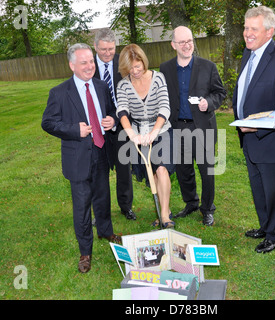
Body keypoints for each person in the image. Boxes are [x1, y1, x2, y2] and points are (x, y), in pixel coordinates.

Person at [41, 43, 122, 273]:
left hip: (101, 151)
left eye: (91, 61)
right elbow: (47, 122)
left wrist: (112, 120)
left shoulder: (101, 85)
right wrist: (74, 130)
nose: (90, 66)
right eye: (84, 62)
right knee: (82, 206)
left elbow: (112, 109)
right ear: (72, 65)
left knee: (103, 196)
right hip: (77, 158)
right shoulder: (59, 92)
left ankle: (106, 231)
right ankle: (85, 251)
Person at [232, 6, 275, 253]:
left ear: (269, 31)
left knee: (274, 192)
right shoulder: (248, 54)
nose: (247, 33)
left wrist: (257, 126)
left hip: (273, 142)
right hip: (250, 139)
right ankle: (265, 226)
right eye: (245, 28)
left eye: (253, 29)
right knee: (258, 189)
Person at [160, 26, 226, 226]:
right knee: (183, 170)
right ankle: (191, 203)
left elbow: (220, 93)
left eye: (190, 41)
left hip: (202, 127)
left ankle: (207, 209)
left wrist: (209, 103)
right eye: (182, 42)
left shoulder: (208, 67)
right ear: (173, 45)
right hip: (177, 127)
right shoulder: (165, 69)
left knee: (207, 170)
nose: (187, 45)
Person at [116, 44, 175, 228]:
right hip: (139, 133)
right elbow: (122, 111)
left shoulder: (158, 78)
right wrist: (132, 134)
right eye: (130, 68)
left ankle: (164, 215)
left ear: (143, 62)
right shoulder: (123, 85)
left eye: (137, 66)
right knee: (153, 174)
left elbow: (165, 106)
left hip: (161, 129)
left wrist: (155, 131)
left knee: (162, 169)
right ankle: (163, 209)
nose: (134, 71)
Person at [93, 28, 136, 221]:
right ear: (95, 47)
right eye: (103, 49)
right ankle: (100, 212)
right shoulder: (88, 66)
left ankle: (126, 207)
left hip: (121, 123)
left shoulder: (123, 63)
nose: (108, 53)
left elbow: (133, 94)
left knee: (123, 169)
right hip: (96, 127)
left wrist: (117, 118)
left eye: (111, 49)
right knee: (98, 171)